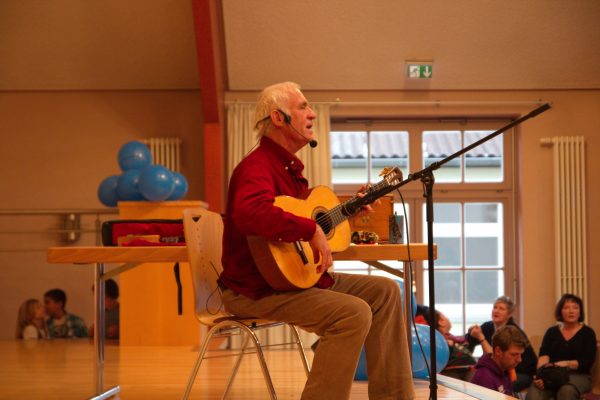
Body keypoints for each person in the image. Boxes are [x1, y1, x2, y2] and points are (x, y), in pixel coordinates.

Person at [218, 82, 414, 400]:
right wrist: (309, 230)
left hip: (289, 282)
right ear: (278, 118)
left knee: (386, 291)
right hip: (255, 289)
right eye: (303, 107)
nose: (311, 114)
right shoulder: (257, 167)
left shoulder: (288, 169)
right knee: (352, 313)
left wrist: (347, 210)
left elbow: (304, 221)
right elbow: (250, 212)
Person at [526, 294, 597, 400]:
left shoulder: (588, 333)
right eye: (566, 307)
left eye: (575, 307)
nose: (571, 311)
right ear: (560, 311)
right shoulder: (551, 332)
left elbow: (587, 362)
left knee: (566, 391)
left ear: (580, 312)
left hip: (578, 376)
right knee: (534, 392)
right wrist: (540, 375)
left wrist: (562, 364)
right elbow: (543, 356)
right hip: (551, 375)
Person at [466, 296, 538, 391]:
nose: (496, 311)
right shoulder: (488, 326)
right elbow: (468, 340)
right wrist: (470, 333)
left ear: (509, 314)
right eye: (495, 307)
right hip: (501, 369)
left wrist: (481, 337)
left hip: (521, 372)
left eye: (501, 309)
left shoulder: (513, 331)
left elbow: (495, 356)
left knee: (498, 384)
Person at [471, 325, 528, 396]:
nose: (519, 360)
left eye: (520, 354)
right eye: (514, 354)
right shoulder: (484, 378)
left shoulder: (504, 371)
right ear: (498, 351)